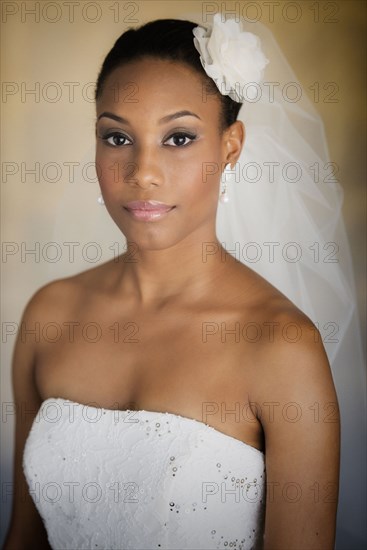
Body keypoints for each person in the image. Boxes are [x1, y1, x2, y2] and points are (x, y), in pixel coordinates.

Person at [3, 15, 340, 550]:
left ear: (231, 147)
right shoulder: (50, 315)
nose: (143, 172)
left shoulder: (281, 347)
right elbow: (23, 537)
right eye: (117, 137)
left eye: (178, 137)